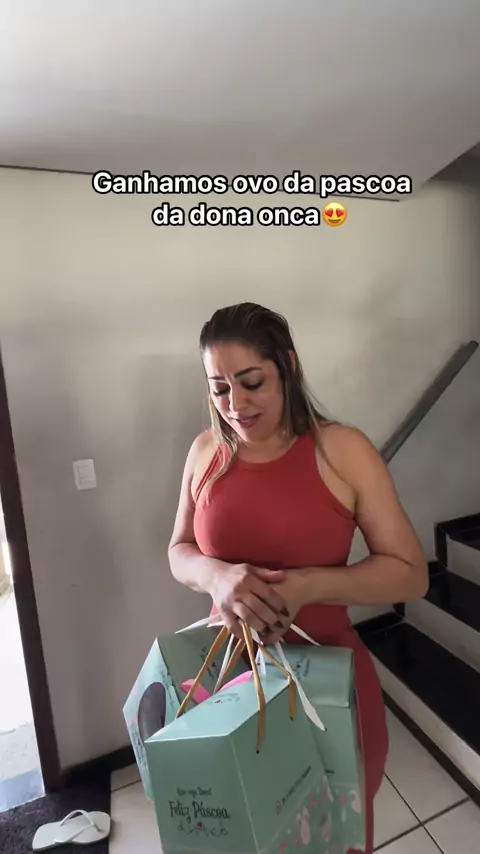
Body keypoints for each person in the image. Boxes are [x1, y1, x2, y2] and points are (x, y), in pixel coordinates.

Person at [168, 301, 429, 854]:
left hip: (327, 684)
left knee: (332, 840)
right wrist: (216, 576)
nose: (235, 405)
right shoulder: (205, 451)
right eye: (219, 388)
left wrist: (309, 585)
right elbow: (179, 551)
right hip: (228, 683)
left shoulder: (342, 450)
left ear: (286, 365)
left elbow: (411, 575)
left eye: (251, 382)